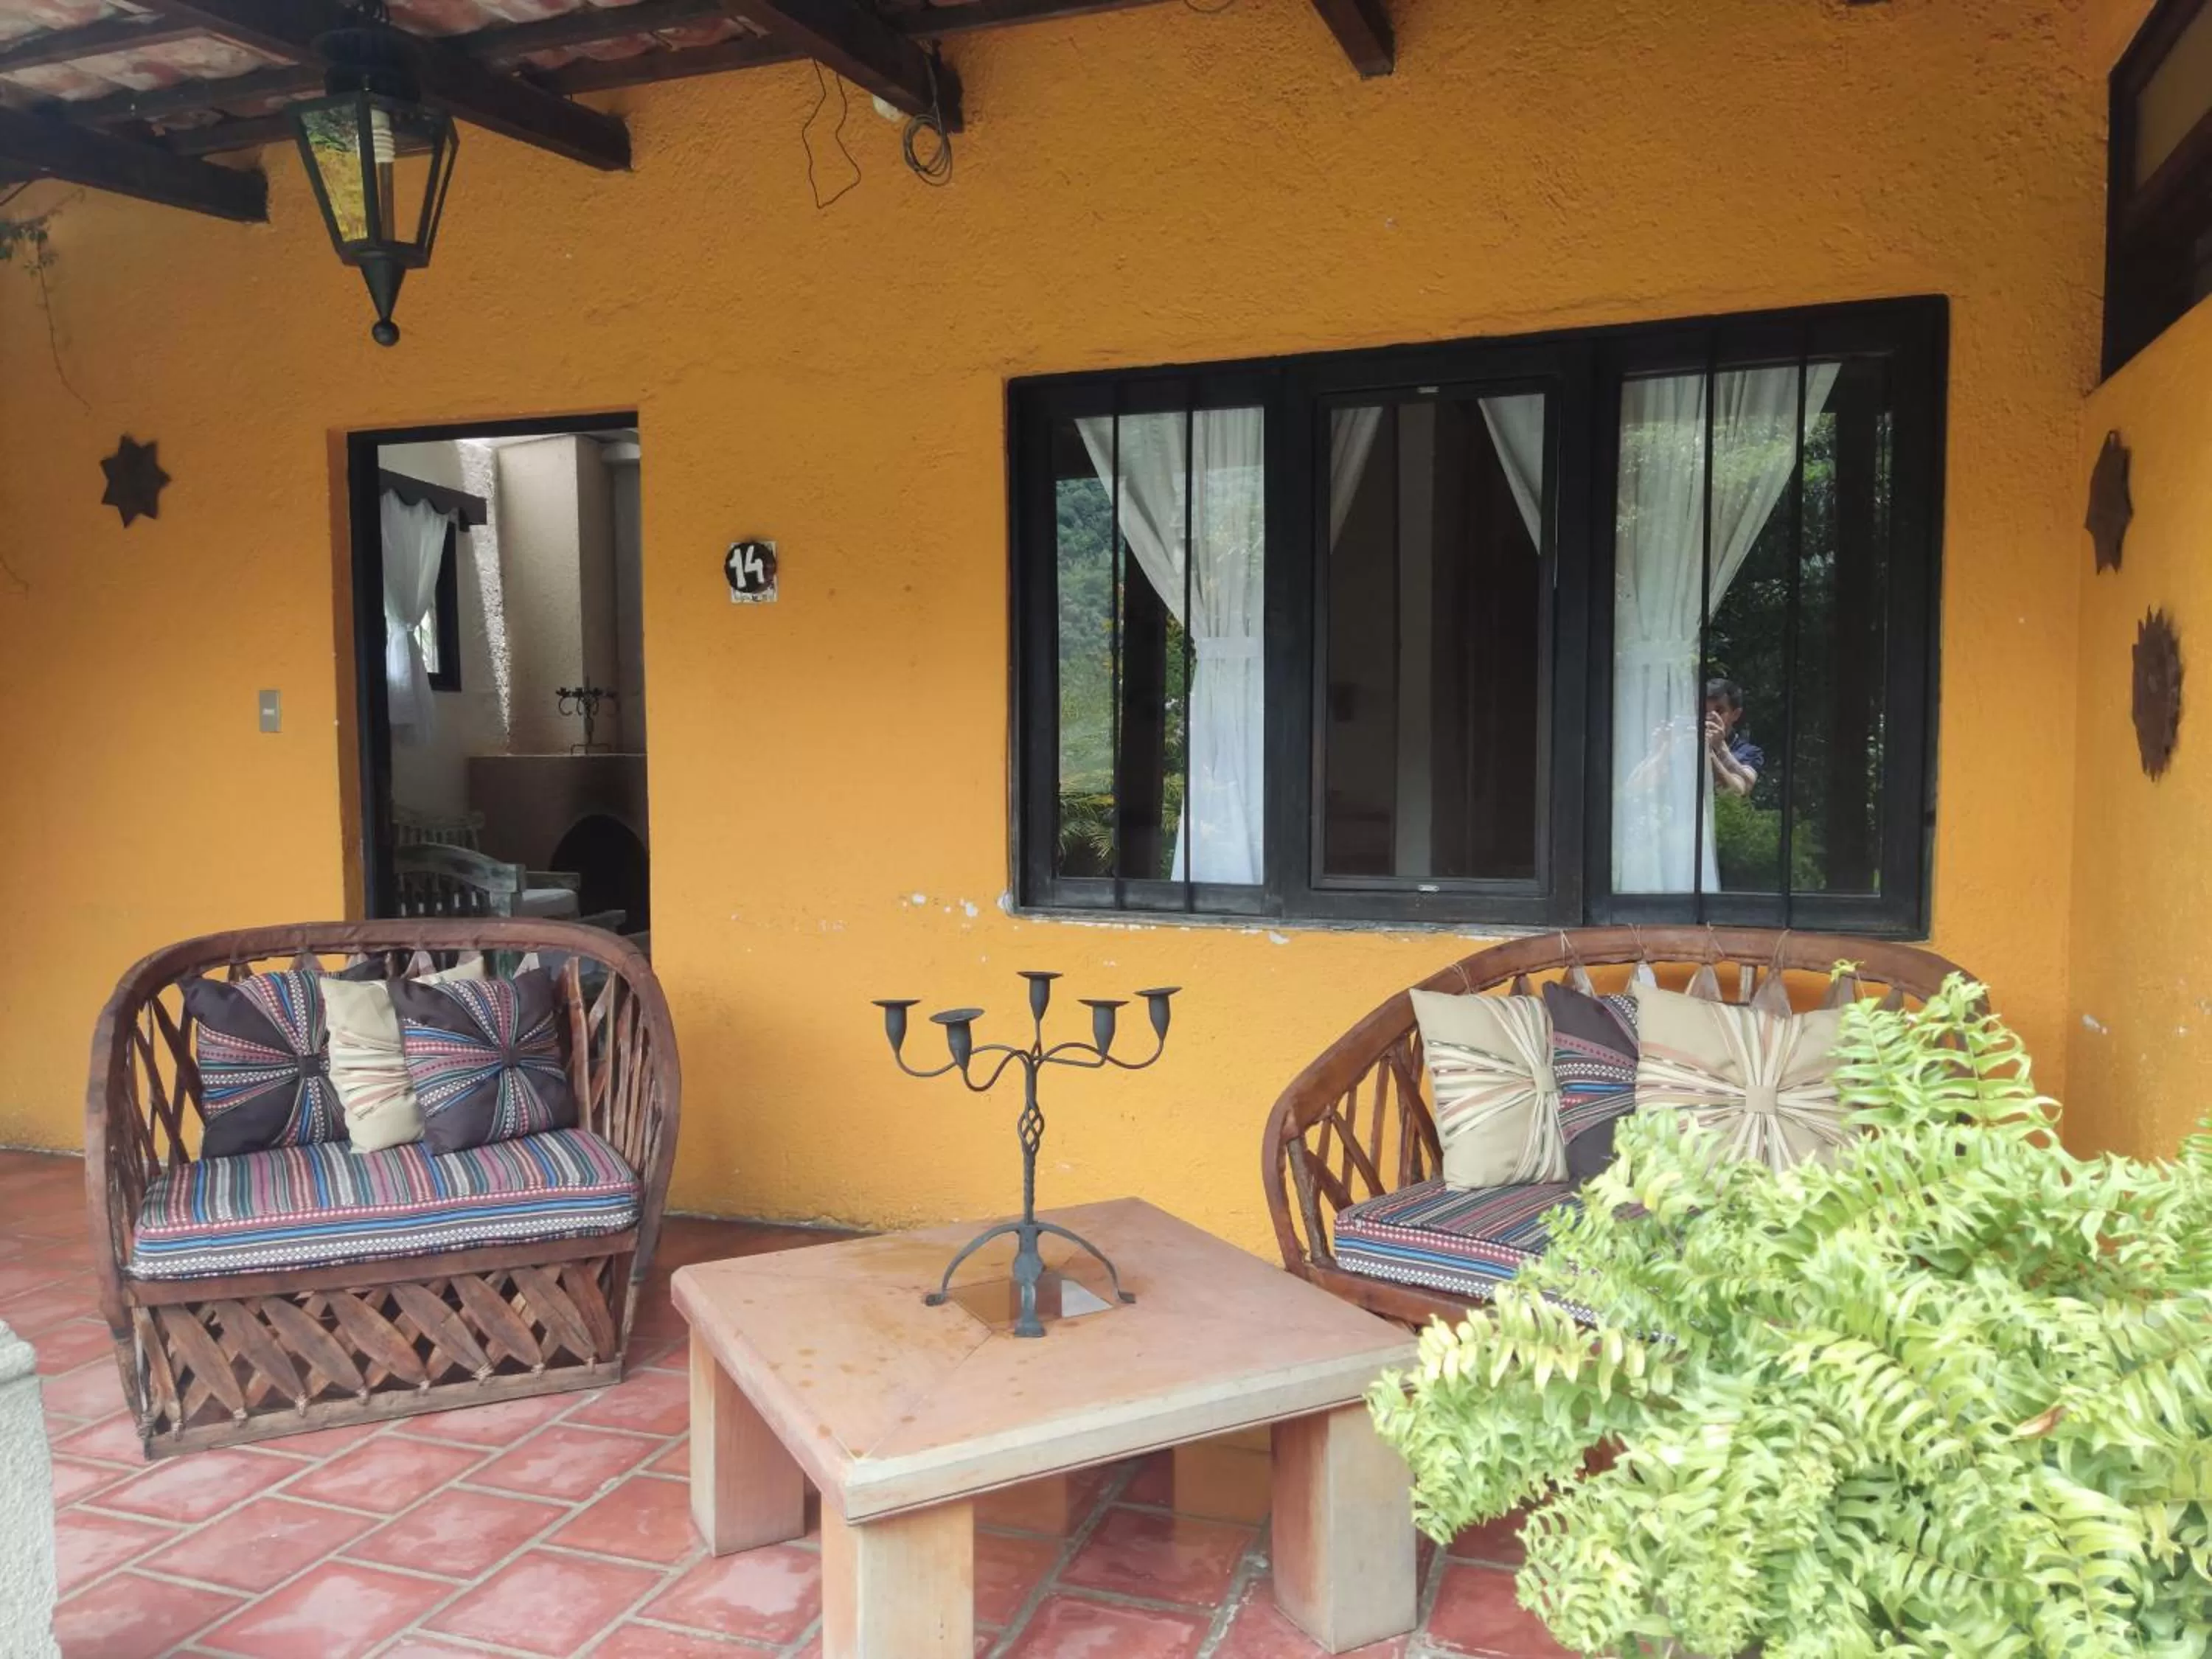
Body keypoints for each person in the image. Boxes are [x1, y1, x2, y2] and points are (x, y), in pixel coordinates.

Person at [1703, 678, 1762, 799]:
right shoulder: (1683, 743)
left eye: (1719, 711)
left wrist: (1716, 749)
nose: (1708, 717)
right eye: (1703, 711)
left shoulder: (1749, 753)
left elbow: (1739, 792)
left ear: (1736, 714)